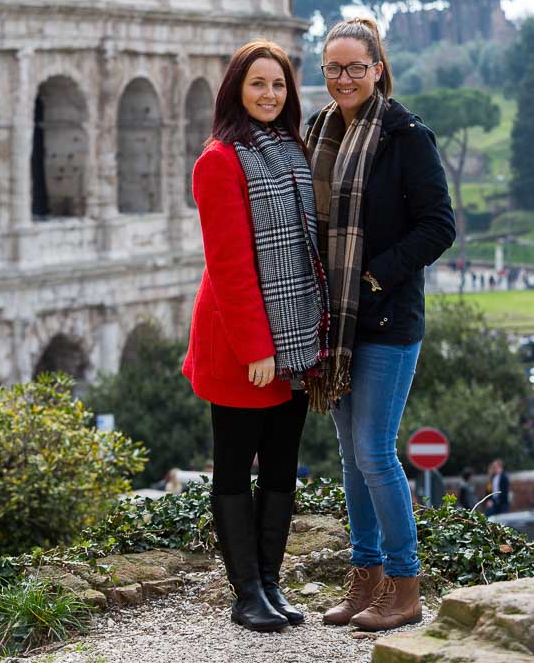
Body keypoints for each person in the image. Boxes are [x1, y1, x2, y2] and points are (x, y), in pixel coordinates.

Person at [304, 17, 455, 632]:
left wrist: (373, 275)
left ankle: (404, 583)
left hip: (386, 317)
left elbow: (439, 225)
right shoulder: (317, 132)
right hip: (333, 323)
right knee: (350, 456)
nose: (344, 78)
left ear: (378, 69)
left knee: (373, 451)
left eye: (355, 67)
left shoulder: (406, 136)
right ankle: (365, 578)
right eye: (333, 69)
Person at [182, 41, 329, 633]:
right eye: (257, 84)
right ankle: (245, 593)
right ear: (235, 91)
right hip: (242, 341)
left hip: (294, 341)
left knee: (281, 465)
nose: (270, 95)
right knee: (234, 465)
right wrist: (257, 348)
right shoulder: (218, 159)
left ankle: (270, 582)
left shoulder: (293, 151)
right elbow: (230, 264)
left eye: (279, 85)